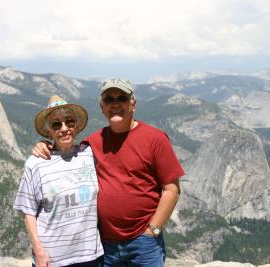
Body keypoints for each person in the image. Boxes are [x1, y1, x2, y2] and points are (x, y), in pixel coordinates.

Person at [32, 78, 184, 267]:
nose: (115, 104)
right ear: (102, 107)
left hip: (144, 243)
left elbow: (172, 189)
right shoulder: (93, 143)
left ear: (133, 104)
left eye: (121, 98)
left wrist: (153, 229)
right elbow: (65, 147)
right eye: (109, 100)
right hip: (106, 245)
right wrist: (44, 145)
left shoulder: (156, 139)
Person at [13, 95, 104, 267]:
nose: (64, 129)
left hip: (91, 256)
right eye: (56, 124)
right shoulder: (36, 164)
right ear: (49, 131)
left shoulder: (90, 154)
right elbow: (28, 212)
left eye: (69, 122)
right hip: (53, 259)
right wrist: (39, 251)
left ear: (77, 126)